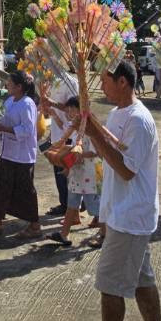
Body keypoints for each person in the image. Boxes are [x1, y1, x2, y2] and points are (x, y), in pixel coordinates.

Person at [70, 60, 161, 321]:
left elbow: (127, 169)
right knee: (142, 281)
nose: (102, 86)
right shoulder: (118, 114)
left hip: (131, 214)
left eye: (106, 80)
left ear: (124, 82)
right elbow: (108, 151)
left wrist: (92, 129)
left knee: (110, 283)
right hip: (122, 212)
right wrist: (88, 125)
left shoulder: (140, 121)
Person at [0, 70, 42, 238]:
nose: (7, 84)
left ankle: (35, 225)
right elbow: (3, 121)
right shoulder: (10, 101)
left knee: (25, 190)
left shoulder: (27, 103)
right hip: (7, 152)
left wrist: (3, 129)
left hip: (22, 155)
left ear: (19, 87)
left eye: (10, 82)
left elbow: (27, 130)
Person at [47, 96, 102, 247]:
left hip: (89, 173)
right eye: (69, 109)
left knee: (94, 206)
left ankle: (105, 234)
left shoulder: (91, 129)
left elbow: (95, 152)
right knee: (72, 204)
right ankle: (64, 234)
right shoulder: (73, 128)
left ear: (82, 111)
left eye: (73, 109)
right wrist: (67, 164)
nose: (70, 112)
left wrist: (76, 155)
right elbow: (71, 149)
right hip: (76, 173)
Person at [39, 71, 79, 217]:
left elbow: (74, 106)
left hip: (70, 136)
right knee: (59, 172)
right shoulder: (48, 80)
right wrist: (48, 109)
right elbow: (52, 112)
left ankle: (72, 205)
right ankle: (67, 203)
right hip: (58, 132)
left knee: (69, 173)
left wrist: (53, 103)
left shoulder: (70, 82)